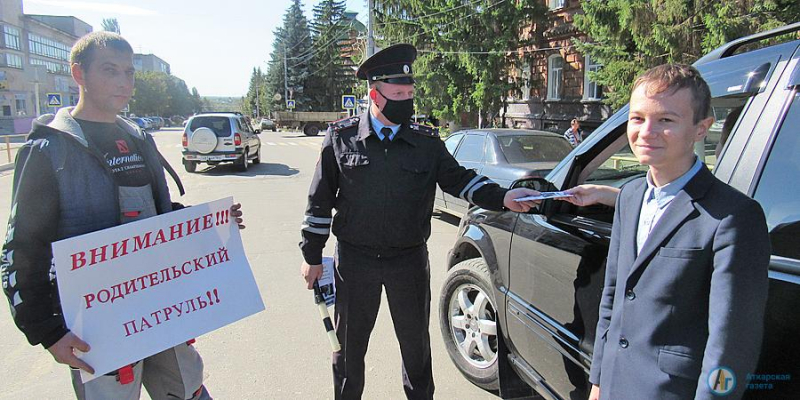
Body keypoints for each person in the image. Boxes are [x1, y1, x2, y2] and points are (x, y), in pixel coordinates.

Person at [0, 32, 244, 400]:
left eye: (129, 72)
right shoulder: (49, 148)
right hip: (96, 329)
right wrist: (47, 333)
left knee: (187, 388)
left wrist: (207, 225)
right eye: (110, 70)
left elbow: (160, 219)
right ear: (78, 74)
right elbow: (21, 249)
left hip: (163, 310)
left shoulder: (138, 139)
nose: (123, 82)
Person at [298, 43, 541, 400]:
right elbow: (318, 203)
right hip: (355, 261)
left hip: (408, 262)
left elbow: (460, 180)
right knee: (348, 351)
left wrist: (503, 197)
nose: (407, 101)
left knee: (416, 350)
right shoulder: (341, 138)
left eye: (410, 93)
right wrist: (312, 257)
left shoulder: (425, 142)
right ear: (375, 95)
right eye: (399, 94)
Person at [579, 64, 770, 400]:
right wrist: (598, 379)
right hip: (614, 385)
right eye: (638, 118)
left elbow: (732, 341)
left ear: (701, 129)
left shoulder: (733, 216)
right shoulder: (630, 197)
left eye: (666, 120)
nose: (647, 131)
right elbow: (613, 296)